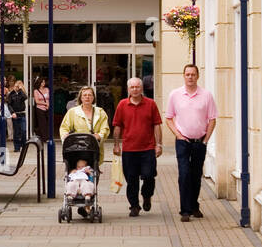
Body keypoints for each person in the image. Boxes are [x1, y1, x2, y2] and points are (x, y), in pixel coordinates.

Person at [164, 63, 217, 222]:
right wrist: (178, 135)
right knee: (184, 174)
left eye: (193, 74)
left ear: (197, 76)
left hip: (199, 141)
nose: (190, 77)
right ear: (183, 76)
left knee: (196, 175)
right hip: (183, 141)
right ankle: (185, 210)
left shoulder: (206, 95)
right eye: (187, 74)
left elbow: (212, 119)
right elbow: (168, 118)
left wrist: (206, 139)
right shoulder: (175, 94)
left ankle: (194, 205)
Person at [112, 77, 163, 217]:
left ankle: (147, 196)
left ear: (142, 88)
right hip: (129, 149)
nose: (135, 89)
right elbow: (117, 126)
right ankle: (134, 205)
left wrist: (159, 144)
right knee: (131, 179)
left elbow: (157, 124)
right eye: (132, 87)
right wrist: (116, 145)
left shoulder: (151, 104)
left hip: (147, 148)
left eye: (137, 87)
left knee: (149, 175)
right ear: (128, 89)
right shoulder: (122, 104)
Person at [60, 85, 110, 220]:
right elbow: (64, 127)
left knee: (93, 174)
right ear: (80, 98)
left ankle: (87, 203)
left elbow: (105, 128)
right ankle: (78, 199)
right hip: (77, 150)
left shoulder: (100, 112)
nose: (87, 97)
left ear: (93, 97)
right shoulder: (73, 112)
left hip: (93, 149)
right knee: (75, 173)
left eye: (90, 95)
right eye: (84, 95)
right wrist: (65, 137)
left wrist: (100, 135)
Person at [7, 79, 28, 151]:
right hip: (15, 114)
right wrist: (12, 112)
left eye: (18, 86)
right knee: (16, 131)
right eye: (16, 86)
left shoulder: (22, 94)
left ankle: (24, 145)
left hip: (22, 114)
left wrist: (21, 90)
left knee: (23, 131)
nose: (17, 87)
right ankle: (17, 147)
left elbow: (25, 98)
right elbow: (9, 104)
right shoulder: (11, 94)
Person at [32, 75, 50, 142]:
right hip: (40, 109)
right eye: (42, 82)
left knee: (48, 123)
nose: (43, 83)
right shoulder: (36, 91)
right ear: (39, 83)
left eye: (44, 82)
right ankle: (44, 138)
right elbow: (37, 101)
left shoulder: (47, 89)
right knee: (42, 124)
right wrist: (45, 104)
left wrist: (49, 105)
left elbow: (50, 98)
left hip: (48, 108)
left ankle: (49, 136)